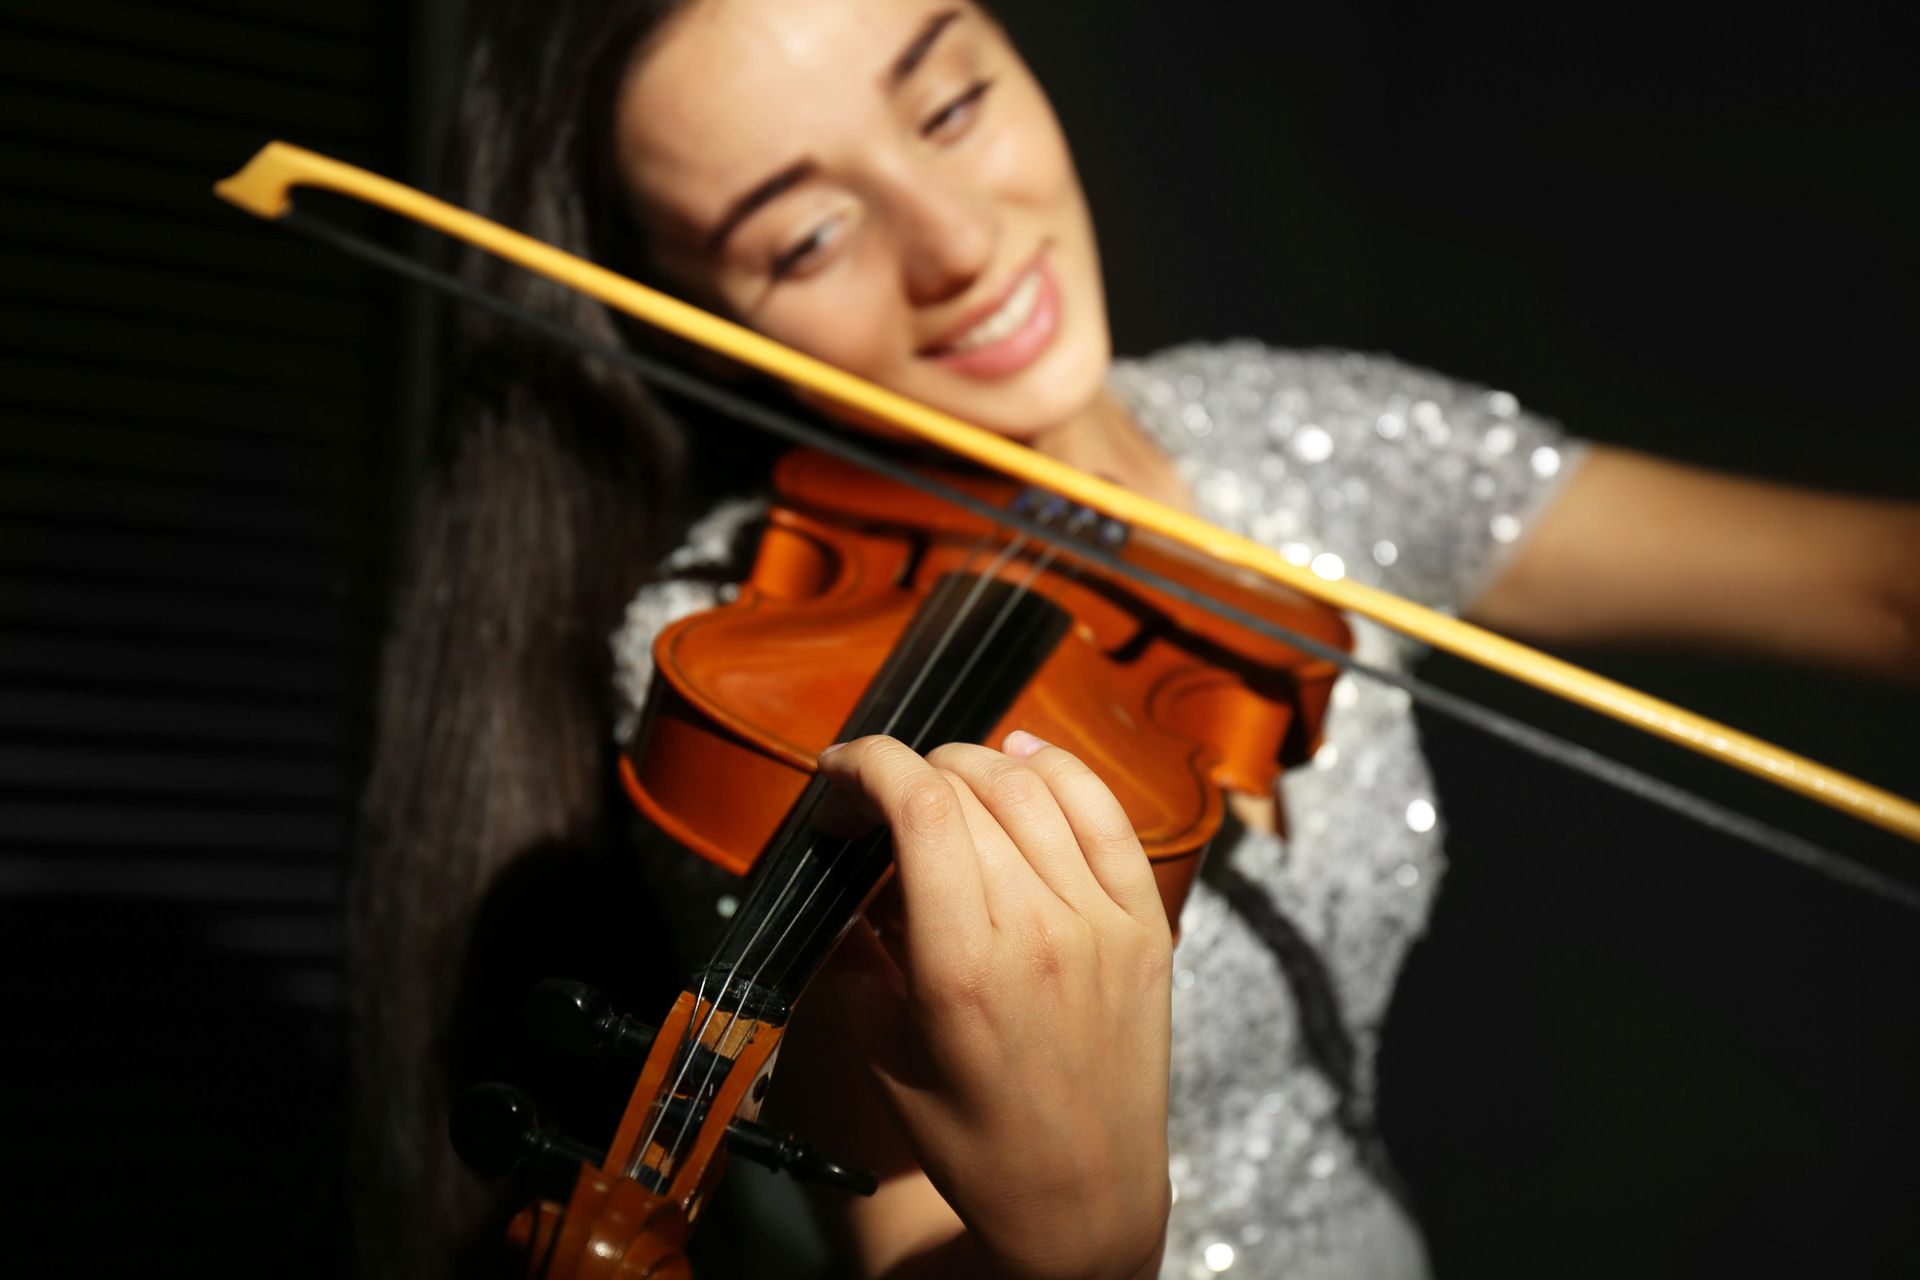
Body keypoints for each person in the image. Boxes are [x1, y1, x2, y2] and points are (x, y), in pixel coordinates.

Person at [349, 1, 1920, 1278]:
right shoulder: (733, 664)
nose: (956, 242)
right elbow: (910, 1253)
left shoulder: (1310, 438)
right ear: (693, 313)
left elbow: (1880, 585)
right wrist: (1080, 1257)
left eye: (950, 102)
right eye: (807, 237)